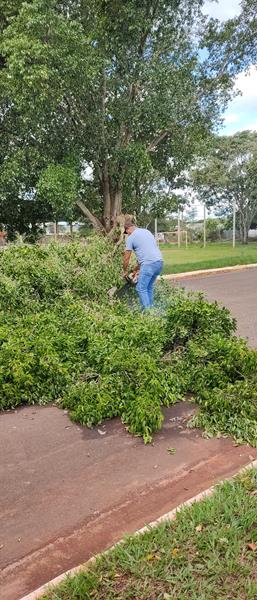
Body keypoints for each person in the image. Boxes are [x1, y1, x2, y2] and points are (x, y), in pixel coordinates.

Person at [123, 219, 163, 309]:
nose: (127, 234)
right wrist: (135, 269)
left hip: (148, 264)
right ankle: (151, 309)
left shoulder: (131, 237)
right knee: (148, 287)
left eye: (127, 233)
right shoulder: (147, 232)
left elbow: (126, 258)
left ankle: (148, 314)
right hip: (159, 262)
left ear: (127, 229)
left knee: (140, 288)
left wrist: (125, 271)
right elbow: (147, 253)